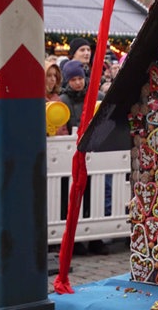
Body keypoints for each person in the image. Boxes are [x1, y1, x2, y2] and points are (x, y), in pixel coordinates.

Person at [59, 59, 109, 255]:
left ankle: (96, 239)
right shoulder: (64, 101)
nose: (78, 82)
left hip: (93, 151)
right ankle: (76, 241)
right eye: (74, 79)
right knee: (72, 198)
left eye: (80, 78)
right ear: (67, 81)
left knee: (94, 197)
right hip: (72, 151)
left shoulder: (96, 96)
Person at [45, 61, 68, 136]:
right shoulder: (35, 101)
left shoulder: (58, 99)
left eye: (55, 75)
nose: (53, 79)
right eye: (49, 75)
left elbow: (63, 127)